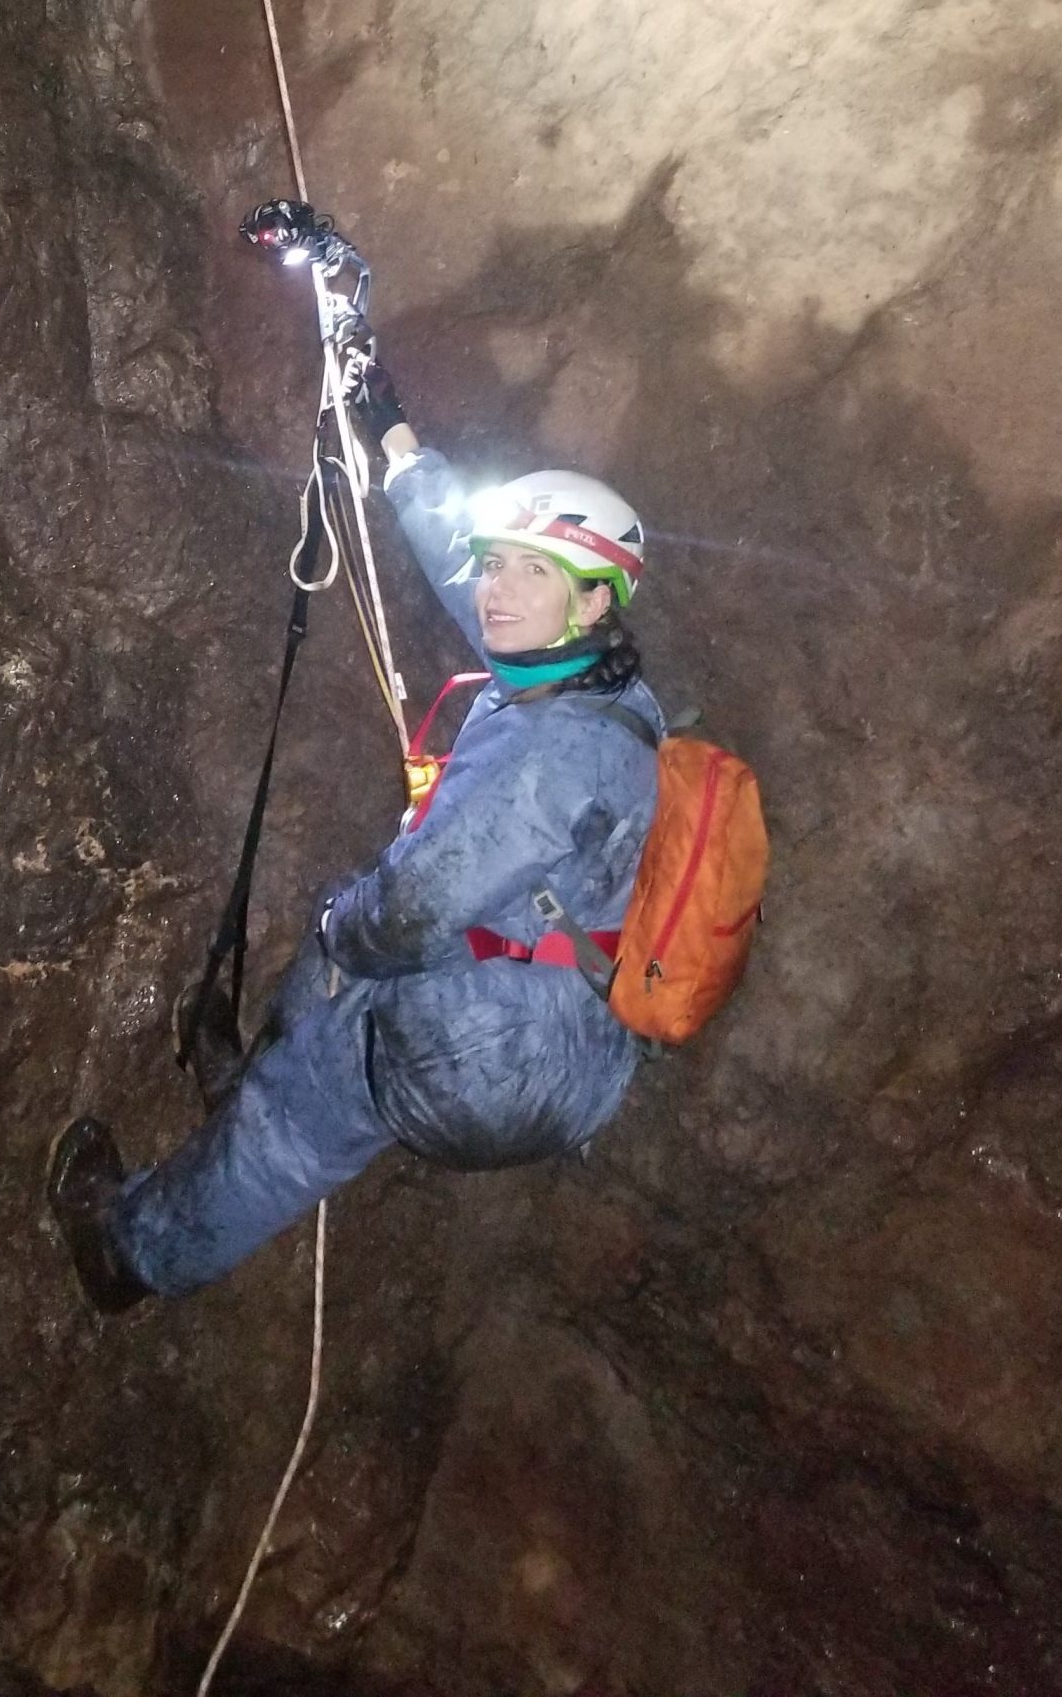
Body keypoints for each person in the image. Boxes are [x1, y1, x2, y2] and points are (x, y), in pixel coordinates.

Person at [47, 354, 662, 1311]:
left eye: (529, 573)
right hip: (573, 1023)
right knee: (345, 971)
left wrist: (337, 924)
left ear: (591, 599)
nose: (496, 590)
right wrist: (398, 442)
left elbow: (408, 917)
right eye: (498, 565)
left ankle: (130, 1254)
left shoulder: (549, 759)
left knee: (316, 1068)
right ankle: (251, 1084)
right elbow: (466, 564)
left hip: (492, 1061)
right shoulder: (599, 682)